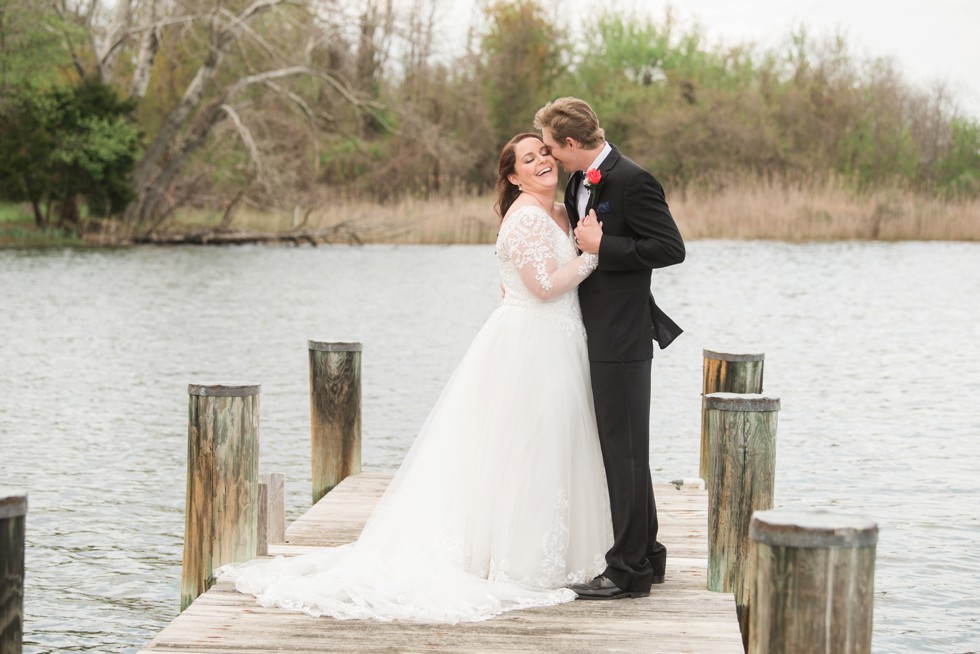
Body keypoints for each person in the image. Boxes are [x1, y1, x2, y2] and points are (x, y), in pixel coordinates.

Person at [228, 133, 614, 623]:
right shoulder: (524, 218)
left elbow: (512, 284)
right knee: (528, 446)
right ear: (513, 176)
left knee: (553, 446)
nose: (541, 161)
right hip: (533, 343)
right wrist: (592, 256)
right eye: (528, 158)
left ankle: (560, 553)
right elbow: (539, 288)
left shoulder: (558, 212)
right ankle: (519, 561)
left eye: (544, 152)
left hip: (557, 340)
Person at [534, 97, 686, 600]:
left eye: (553, 147)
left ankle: (627, 572)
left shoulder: (632, 180)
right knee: (624, 452)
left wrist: (605, 249)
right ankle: (649, 556)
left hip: (621, 335)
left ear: (573, 144)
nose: (550, 157)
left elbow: (669, 248)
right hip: (593, 330)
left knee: (623, 454)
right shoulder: (582, 180)